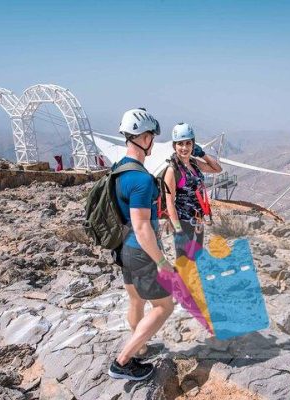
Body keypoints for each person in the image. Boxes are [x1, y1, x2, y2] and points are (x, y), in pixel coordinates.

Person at [108, 108, 175, 381]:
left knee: (136, 299)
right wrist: (161, 261)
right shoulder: (141, 179)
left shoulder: (118, 169)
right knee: (164, 306)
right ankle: (123, 361)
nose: (152, 143)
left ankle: (141, 347)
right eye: (151, 137)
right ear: (144, 137)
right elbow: (142, 225)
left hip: (123, 247)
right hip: (140, 249)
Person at [164, 123, 222, 259]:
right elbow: (170, 203)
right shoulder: (173, 170)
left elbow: (217, 169)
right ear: (174, 146)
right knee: (184, 263)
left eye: (188, 143)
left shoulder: (194, 163)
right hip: (183, 224)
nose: (184, 148)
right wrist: (178, 231)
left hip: (198, 221)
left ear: (193, 144)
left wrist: (203, 154)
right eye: (180, 144)